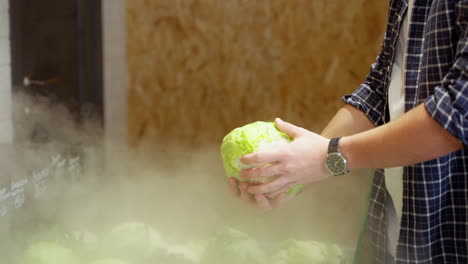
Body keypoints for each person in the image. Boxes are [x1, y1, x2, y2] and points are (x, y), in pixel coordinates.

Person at [228, 0, 468, 263]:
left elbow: (457, 109)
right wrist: (292, 176)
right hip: (399, 239)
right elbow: (379, 89)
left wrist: (327, 158)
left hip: (452, 241)